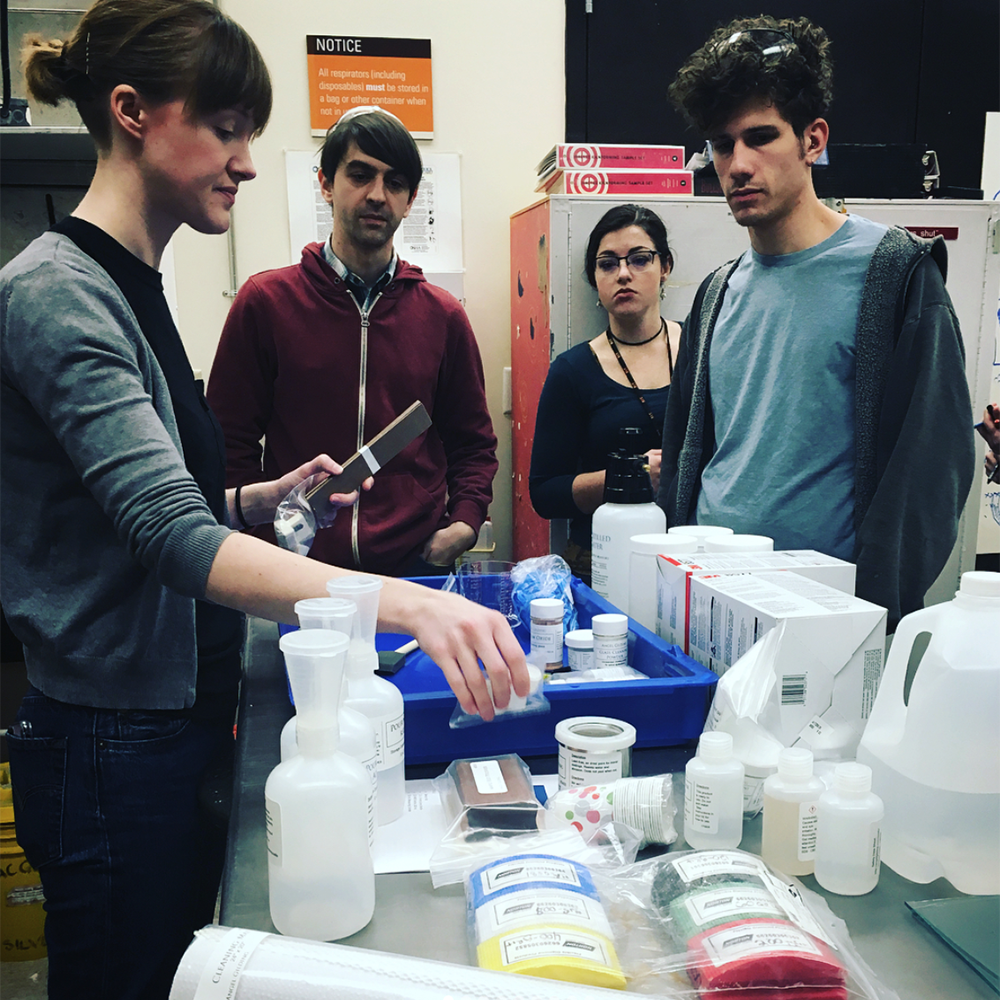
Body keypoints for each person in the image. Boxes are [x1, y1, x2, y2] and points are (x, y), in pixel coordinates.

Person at [0, 5, 526, 999]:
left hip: (171, 717)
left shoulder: (133, 284)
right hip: (112, 739)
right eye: (228, 128)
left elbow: (163, 499)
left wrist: (252, 500)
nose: (247, 161)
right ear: (134, 113)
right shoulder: (60, 293)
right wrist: (407, 603)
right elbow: (167, 533)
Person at [658, 15, 975, 628]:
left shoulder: (896, 276)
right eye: (722, 145)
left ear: (813, 139)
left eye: (761, 137)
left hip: (831, 620)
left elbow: (933, 474)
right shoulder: (716, 294)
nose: (738, 164)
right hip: (713, 604)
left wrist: (875, 612)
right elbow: (684, 460)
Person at [206, 106, 497, 577]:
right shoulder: (266, 302)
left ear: (411, 200)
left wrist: (463, 523)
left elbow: (473, 444)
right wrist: (262, 539)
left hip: (414, 568)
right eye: (360, 175)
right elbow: (228, 441)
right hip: (295, 571)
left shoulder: (443, 316)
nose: (377, 195)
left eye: (395, 183)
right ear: (325, 183)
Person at [529, 204, 681, 582]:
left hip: (691, 554)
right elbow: (545, 493)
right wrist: (633, 474)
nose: (624, 274)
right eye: (608, 264)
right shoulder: (572, 370)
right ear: (595, 279)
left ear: (665, 267)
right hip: (604, 561)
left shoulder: (700, 349)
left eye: (640, 260)